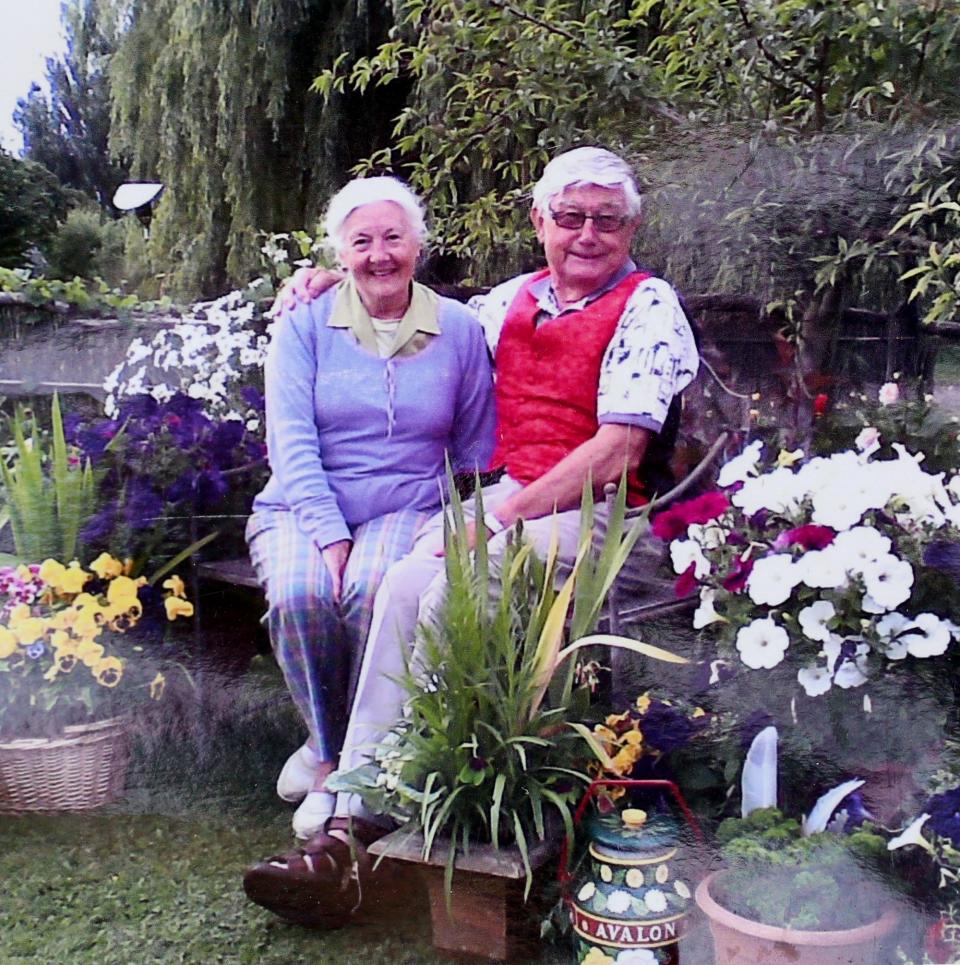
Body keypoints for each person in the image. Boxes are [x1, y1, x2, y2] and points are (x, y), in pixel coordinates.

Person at [243, 147, 699, 925]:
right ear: (539, 222)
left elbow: (621, 449)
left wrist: (500, 513)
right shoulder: (506, 302)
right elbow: (410, 309)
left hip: (598, 511)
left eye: (607, 219)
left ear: (632, 227)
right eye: (570, 216)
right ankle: (357, 793)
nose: (587, 234)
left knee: (455, 586)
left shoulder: (649, 305)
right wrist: (325, 282)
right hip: (514, 502)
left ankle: (365, 826)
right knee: (402, 584)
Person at [246, 175, 495, 843]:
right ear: (339, 253)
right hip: (303, 504)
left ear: (419, 244)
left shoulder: (462, 329)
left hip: (407, 506)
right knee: (300, 596)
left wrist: (449, 517)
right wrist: (329, 537)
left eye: (393, 237)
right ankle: (327, 759)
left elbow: (472, 448)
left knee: (374, 591)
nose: (379, 254)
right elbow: (291, 443)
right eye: (361, 241)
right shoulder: (303, 326)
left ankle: (364, 758)